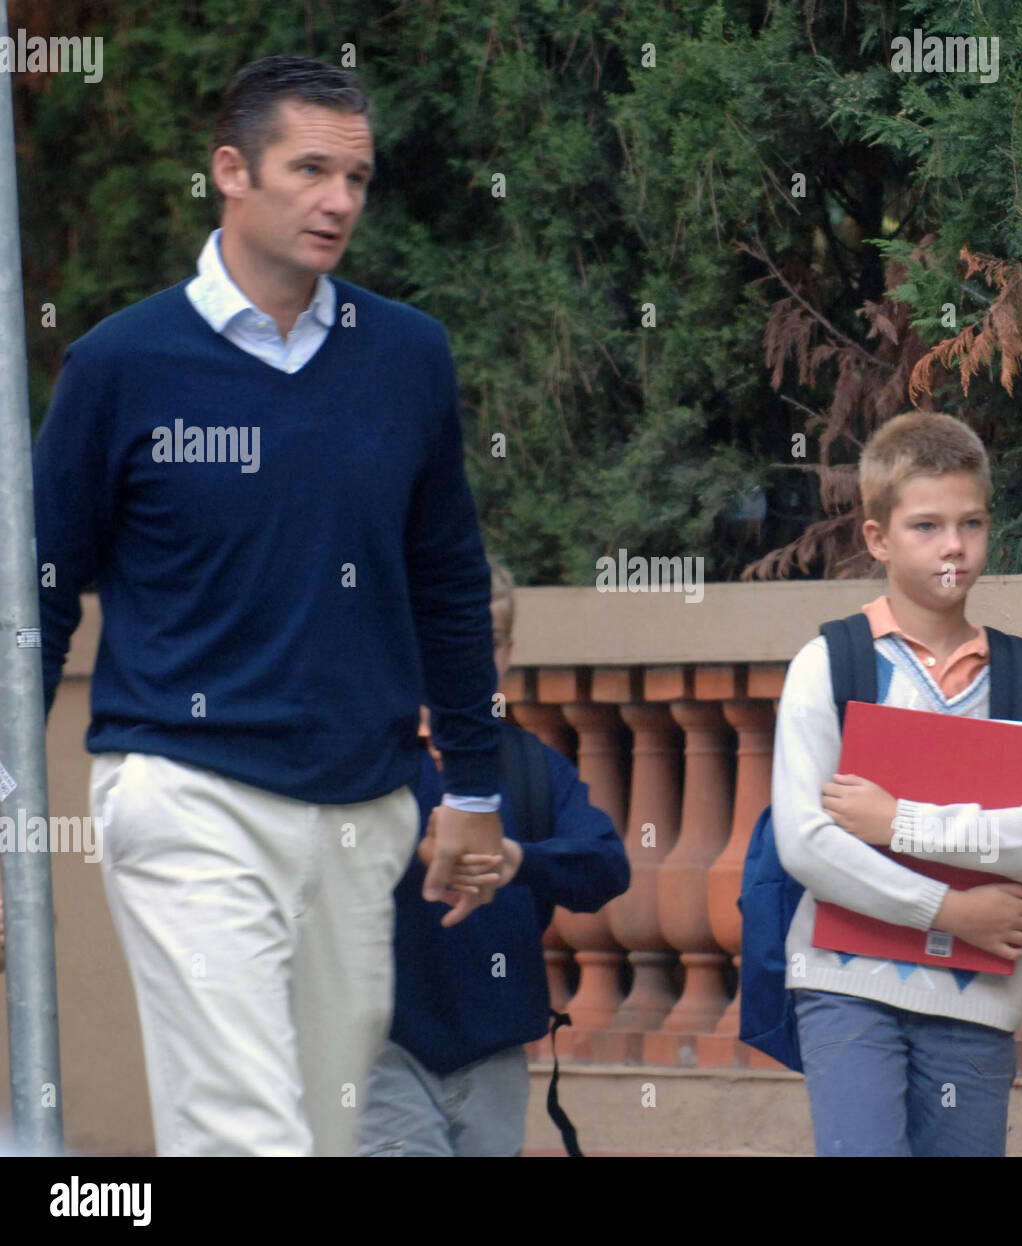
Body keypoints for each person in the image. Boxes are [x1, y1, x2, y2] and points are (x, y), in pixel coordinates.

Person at [31, 55, 504, 1156]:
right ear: (232, 172)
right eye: (310, 170)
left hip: (360, 807)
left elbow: (446, 578)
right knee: (245, 1132)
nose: (338, 200)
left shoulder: (406, 356)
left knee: (322, 1133)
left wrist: (473, 783)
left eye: (358, 177)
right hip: (186, 793)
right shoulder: (118, 365)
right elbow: (42, 590)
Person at [771, 410, 1022, 1156]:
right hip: (848, 988)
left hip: (977, 1000)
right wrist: (951, 909)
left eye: (971, 523)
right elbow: (806, 843)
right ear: (877, 537)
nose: (953, 546)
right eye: (927, 526)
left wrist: (900, 822)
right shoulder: (831, 666)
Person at [356, 555, 629, 1156]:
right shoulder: (370, 757)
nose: (475, 661)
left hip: (495, 1057)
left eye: (494, 643)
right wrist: (408, 853)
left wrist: (518, 860)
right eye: (453, 641)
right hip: (382, 1050)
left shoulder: (530, 765)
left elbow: (606, 864)